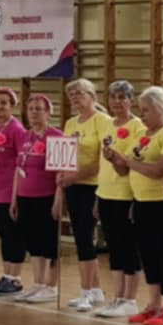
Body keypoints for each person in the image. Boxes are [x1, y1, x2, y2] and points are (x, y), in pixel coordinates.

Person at [106, 86, 163, 325]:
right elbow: (124, 170)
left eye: (147, 110)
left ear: (161, 109)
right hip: (141, 203)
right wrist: (115, 160)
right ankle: (153, 304)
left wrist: (128, 162)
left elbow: (160, 170)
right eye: (141, 110)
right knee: (149, 255)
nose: (142, 114)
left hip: (162, 203)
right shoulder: (143, 135)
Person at [60, 78, 116, 312]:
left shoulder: (103, 121)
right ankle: (95, 289)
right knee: (80, 237)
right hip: (73, 186)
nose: (75, 98)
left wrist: (77, 175)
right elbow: (64, 156)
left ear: (92, 96)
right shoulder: (70, 123)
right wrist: (63, 179)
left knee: (85, 236)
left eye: (79, 93)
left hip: (93, 186)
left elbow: (103, 159)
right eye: (71, 94)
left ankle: (85, 292)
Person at [92, 82, 144, 320]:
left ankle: (130, 299)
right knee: (114, 248)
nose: (117, 102)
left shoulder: (138, 127)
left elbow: (132, 164)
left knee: (129, 247)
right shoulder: (106, 125)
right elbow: (102, 164)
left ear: (131, 100)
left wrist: (135, 198)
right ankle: (117, 297)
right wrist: (97, 196)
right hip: (106, 193)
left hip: (126, 194)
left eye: (122, 97)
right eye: (113, 97)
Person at [0, 88, 31, 297]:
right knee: (3, 235)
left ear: (12, 106)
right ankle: (6, 275)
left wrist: (16, 195)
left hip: (8, 191)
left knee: (13, 235)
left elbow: (23, 163)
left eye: (4, 103)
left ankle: (15, 278)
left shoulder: (17, 130)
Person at [12, 93, 62, 304]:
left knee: (49, 242)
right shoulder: (25, 136)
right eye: (31, 108)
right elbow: (18, 169)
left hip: (46, 197)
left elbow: (61, 173)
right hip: (25, 197)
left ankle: (51, 286)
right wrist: (14, 199)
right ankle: (38, 283)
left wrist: (58, 200)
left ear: (48, 112)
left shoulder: (57, 137)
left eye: (39, 109)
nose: (34, 112)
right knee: (33, 242)